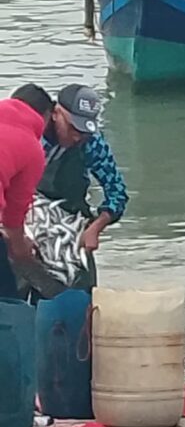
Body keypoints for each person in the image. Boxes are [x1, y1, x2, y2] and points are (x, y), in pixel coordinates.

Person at [20, 83, 128, 297]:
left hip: (72, 225)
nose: (78, 137)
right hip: (27, 219)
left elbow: (117, 192)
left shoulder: (92, 143)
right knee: (15, 299)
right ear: (55, 113)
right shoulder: (30, 138)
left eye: (84, 131)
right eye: (72, 128)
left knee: (78, 299)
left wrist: (96, 227)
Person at [0, 83, 54, 298]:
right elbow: (13, 217)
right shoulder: (32, 148)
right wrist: (20, 247)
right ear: (46, 116)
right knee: (7, 298)